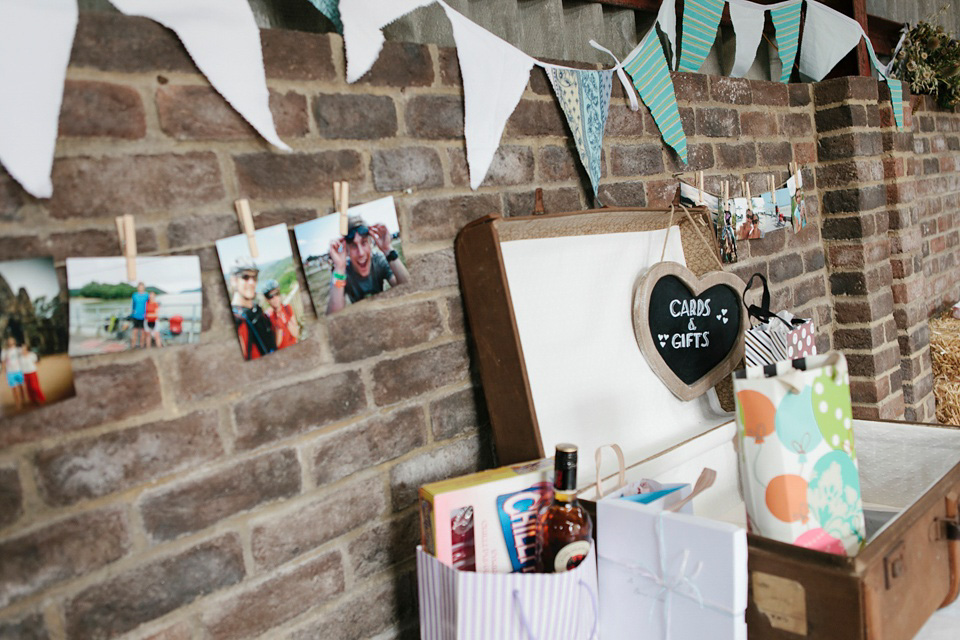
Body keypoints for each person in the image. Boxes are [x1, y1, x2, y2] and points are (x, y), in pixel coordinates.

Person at [326, 215, 411, 315]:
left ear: (371, 243)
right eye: (353, 246)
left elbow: (408, 290)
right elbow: (333, 316)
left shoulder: (378, 261)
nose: (361, 253)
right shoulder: (344, 273)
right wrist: (339, 268)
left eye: (364, 242)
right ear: (347, 250)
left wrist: (388, 249)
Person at [229, 257, 276, 360]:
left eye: (254, 277)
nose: (252, 282)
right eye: (245, 277)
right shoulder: (236, 320)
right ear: (234, 281)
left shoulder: (257, 310)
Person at [262, 279, 299, 350]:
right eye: (271, 296)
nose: (275, 298)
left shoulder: (287, 308)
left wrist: (288, 325)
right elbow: (275, 345)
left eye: (277, 294)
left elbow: (296, 334)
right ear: (267, 299)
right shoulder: (267, 317)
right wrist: (279, 329)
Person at [1, 337, 25, 411]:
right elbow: (3, 361)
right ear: (7, 343)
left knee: (21, 387)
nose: (10, 342)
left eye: (11, 341)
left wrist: (23, 347)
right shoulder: (4, 351)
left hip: (18, 370)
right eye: (9, 341)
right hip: (10, 372)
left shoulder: (18, 349)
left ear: (14, 341)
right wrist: (3, 370)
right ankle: (18, 403)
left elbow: (24, 353)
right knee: (14, 389)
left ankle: (23, 400)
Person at [130, 282, 149, 349]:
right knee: (134, 332)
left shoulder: (147, 295)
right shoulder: (134, 295)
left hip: (143, 316)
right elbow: (132, 305)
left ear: (144, 287)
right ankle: (133, 346)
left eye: (142, 287)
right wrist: (131, 313)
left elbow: (150, 304)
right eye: (139, 287)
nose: (141, 288)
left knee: (143, 332)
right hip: (135, 316)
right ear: (138, 288)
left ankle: (141, 346)